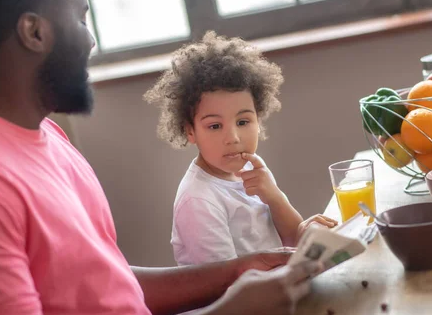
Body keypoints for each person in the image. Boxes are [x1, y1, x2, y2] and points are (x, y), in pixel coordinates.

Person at [0, 0, 323, 315]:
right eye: (81, 19)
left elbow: (106, 283)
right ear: (34, 32)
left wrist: (242, 269)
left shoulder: (46, 135)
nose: (91, 40)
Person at [144, 32, 337, 269]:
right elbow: (225, 285)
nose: (233, 138)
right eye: (215, 126)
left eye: (243, 122)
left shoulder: (252, 167)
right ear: (190, 131)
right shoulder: (198, 200)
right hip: (244, 301)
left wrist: (275, 198)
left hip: (277, 286)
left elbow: (293, 240)